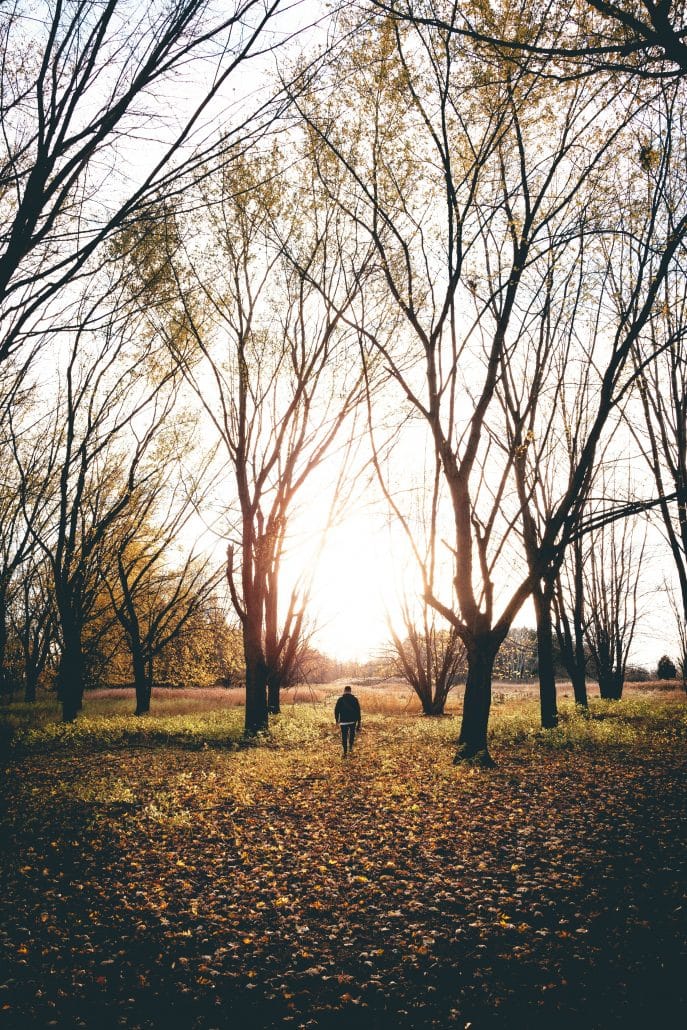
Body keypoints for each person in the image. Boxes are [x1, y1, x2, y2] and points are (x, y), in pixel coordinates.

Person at [334, 684, 361, 757]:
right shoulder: (355, 699)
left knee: (344, 736)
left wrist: (337, 720)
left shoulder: (340, 699)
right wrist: (359, 723)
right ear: (350, 691)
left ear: (344, 691)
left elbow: (336, 711)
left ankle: (345, 751)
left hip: (343, 721)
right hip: (353, 721)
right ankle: (351, 747)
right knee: (352, 734)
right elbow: (358, 711)